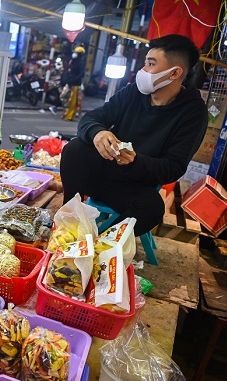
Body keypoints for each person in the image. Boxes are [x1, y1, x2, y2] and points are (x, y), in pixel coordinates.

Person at [61, 34, 208, 236]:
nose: (143, 70)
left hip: (133, 186)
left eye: (150, 64)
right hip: (101, 173)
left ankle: (102, 244)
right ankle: (68, 223)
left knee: (153, 209)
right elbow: (92, 118)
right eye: (145, 63)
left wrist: (135, 161)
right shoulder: (133, 92)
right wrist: (98, 132)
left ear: (174, 73)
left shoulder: (193, 112)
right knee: (74, 149)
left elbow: (173, 167)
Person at [61, 46, 86, 121]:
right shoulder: (72, 61)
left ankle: (69, 116)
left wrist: (73, 80)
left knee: (72, 101)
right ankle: (65, 113)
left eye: (76, 53)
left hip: (75, 84)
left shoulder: (81, 63)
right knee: (64, 97)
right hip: (69, 83)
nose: (74, 54)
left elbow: (81, 74)